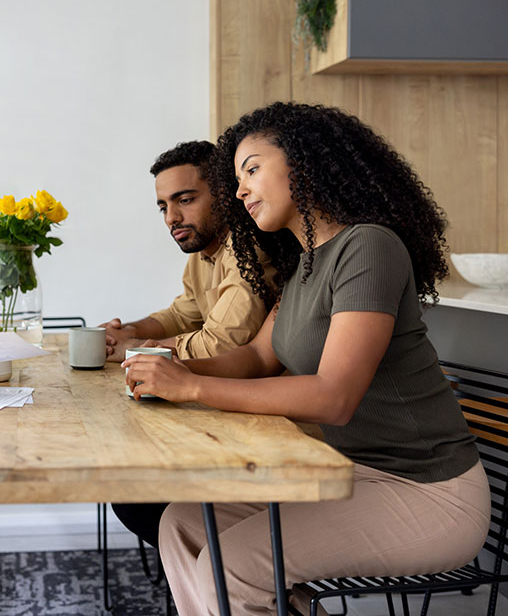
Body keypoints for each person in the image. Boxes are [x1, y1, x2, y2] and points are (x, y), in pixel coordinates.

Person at [123, 102, 490, 616]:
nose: (241, 190)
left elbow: (334, 397)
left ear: (305, 163)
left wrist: (191, 388)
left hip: (429, 493)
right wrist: (169, 371)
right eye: (236, 178)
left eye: (252, 169)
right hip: (349, 472)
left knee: (233, 564)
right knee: (181, 522)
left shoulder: (369, 247)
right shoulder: (304, 266)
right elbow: (254, 357)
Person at [103, 141, 274, 550]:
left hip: (263, 425)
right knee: (134, 497)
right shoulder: (205, 253)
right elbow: (182, 314)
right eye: (163, 206)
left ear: (225, 192)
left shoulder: (249, 247)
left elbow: (221, 341)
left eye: (185, 200)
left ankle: (224, 581)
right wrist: (124, 332)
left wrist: (149, 348)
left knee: (140, 500)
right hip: (227, 413)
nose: (172, 218)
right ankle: (211, 582)